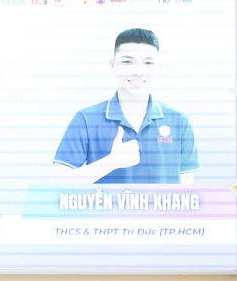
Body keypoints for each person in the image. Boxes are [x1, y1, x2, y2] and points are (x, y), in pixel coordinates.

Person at [53, 28, 199, 184]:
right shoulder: (86, 119)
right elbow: (60, 182)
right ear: (112, 65)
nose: (138, 72)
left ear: (158, 66)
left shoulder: (178, 121)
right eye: (127, 62)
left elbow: (186, 187)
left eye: (148, 62)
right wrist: (111, 162)